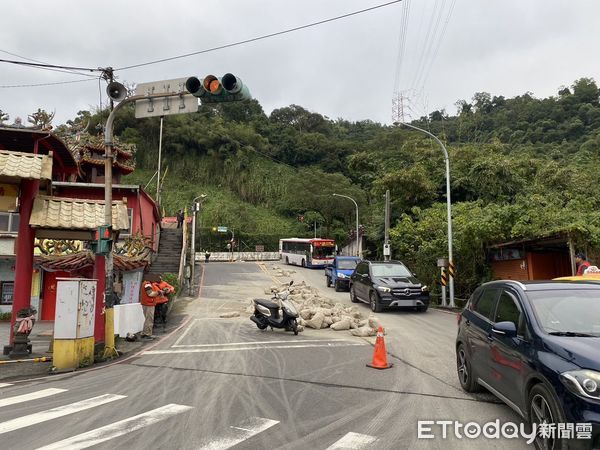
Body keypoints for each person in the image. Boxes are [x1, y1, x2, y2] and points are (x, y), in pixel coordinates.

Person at [140, 274, 160, 340]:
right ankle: (147, 334)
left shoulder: (146, 283)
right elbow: (150, 294)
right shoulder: (147, 284)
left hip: (146, 303)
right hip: (148, 304)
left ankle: (144, 333)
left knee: (147, 319)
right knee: (149, 319)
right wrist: (158, 293)